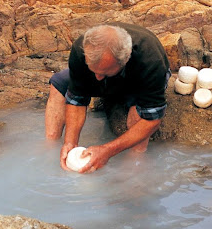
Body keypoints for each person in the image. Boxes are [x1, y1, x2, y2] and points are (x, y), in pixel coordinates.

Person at [45, 23, 170, 173]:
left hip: (136, 79)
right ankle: (50, 145)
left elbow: (152, 120)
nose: (97, 78)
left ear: (124, 61)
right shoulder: (81, 48)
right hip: (106, 70)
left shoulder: (150, 60)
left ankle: (134, 165)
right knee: (58, 84)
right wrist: (70, 143)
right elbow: (77, 100)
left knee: (137, 116)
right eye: (94, 72)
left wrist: (107, 150)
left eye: (103, 74)